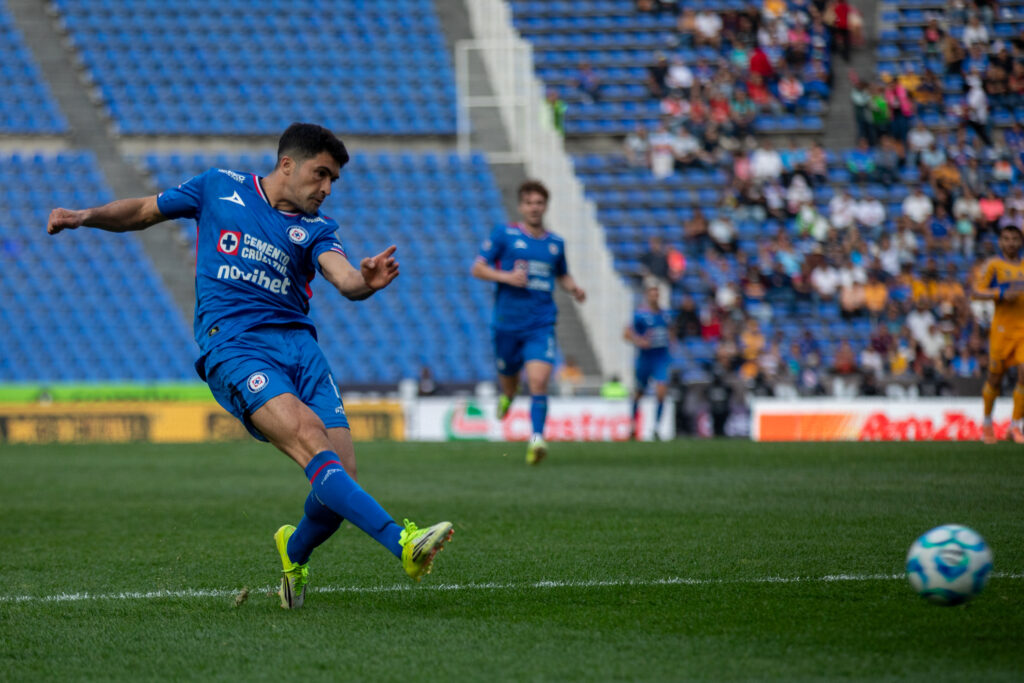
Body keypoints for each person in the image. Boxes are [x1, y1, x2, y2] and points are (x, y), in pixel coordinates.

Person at [45, 123, 453, 608]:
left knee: (341, 480)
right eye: (321, 174)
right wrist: (82, 215)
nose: (326, 188)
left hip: (302, 350)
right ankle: (401, 542)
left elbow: (343, 279)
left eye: (333, 181)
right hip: (236, 346)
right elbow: (141, 210)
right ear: (288, 165)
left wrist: (365, 281)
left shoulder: (318, 229)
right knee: (309, 440)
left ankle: (293, 552)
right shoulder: (220, 187)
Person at [471, 180, 586, 464]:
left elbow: (562, 273)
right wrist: (506, 277)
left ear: (545, 206)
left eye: (539, 203)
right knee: (510, 383)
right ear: (521, 206)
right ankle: (508, 396)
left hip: (541, 323)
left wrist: (574, 288)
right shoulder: (504, 234)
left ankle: (537, 439)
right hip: (507, 324)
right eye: (529, 203)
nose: (534, 208)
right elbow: (478, 268)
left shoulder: (555, 244)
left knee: (539, 381)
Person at [971, 225, 1024, 444]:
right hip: (1002, 330)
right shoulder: (993, 265)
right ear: (1000, 242)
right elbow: (976, 291)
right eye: (1006, 239)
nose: (1010, 243)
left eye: (1014, 239)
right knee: (995, 378)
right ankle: (986, 423)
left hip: (1023, 330)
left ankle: (1015, 426)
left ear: (1020, 242)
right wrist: (1000, 293)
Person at [623, 282, 672, 440]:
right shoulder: (640, 315)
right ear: (647, 295)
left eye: (656, 293)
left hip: (661, 358)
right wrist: (639, 341)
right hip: (645, 358)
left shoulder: (665, 314)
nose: (654, 296)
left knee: (661, 392)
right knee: (639, 393)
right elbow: (626, 333)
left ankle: (657, 427)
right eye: (652, 293)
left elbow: (671, 331)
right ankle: (632, 424)